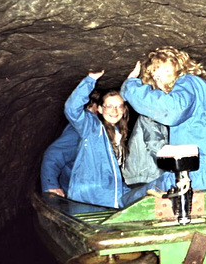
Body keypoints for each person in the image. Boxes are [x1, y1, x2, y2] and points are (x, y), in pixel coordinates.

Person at [120, 46, 206, 205]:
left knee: (127, 201)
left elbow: (172, 110)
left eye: (161, 70)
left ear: (178, 66)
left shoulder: (189, 82)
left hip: (203, 178)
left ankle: (118, 204)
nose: (158, 78)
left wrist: (130, 85)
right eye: (155, 75)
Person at [64, 71, 131, 208]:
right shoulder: (92, 127)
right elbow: (71, 109)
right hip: (87, 200)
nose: (114, 111)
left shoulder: (118, 133)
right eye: (109, 106)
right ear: (100, 109)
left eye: (119, 106)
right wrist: (90, 80)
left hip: (107, 199)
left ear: (124, 110)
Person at [41, 90, 101, 197]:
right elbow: (54, 154)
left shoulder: (102, 130)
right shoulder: (79, 130)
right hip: (77, 194)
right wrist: (51, 186)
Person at [121, 114, 169, 186]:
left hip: (142, 176)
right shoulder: (149, 116)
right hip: (144, 177)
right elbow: (156, 146)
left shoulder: (156, 116)